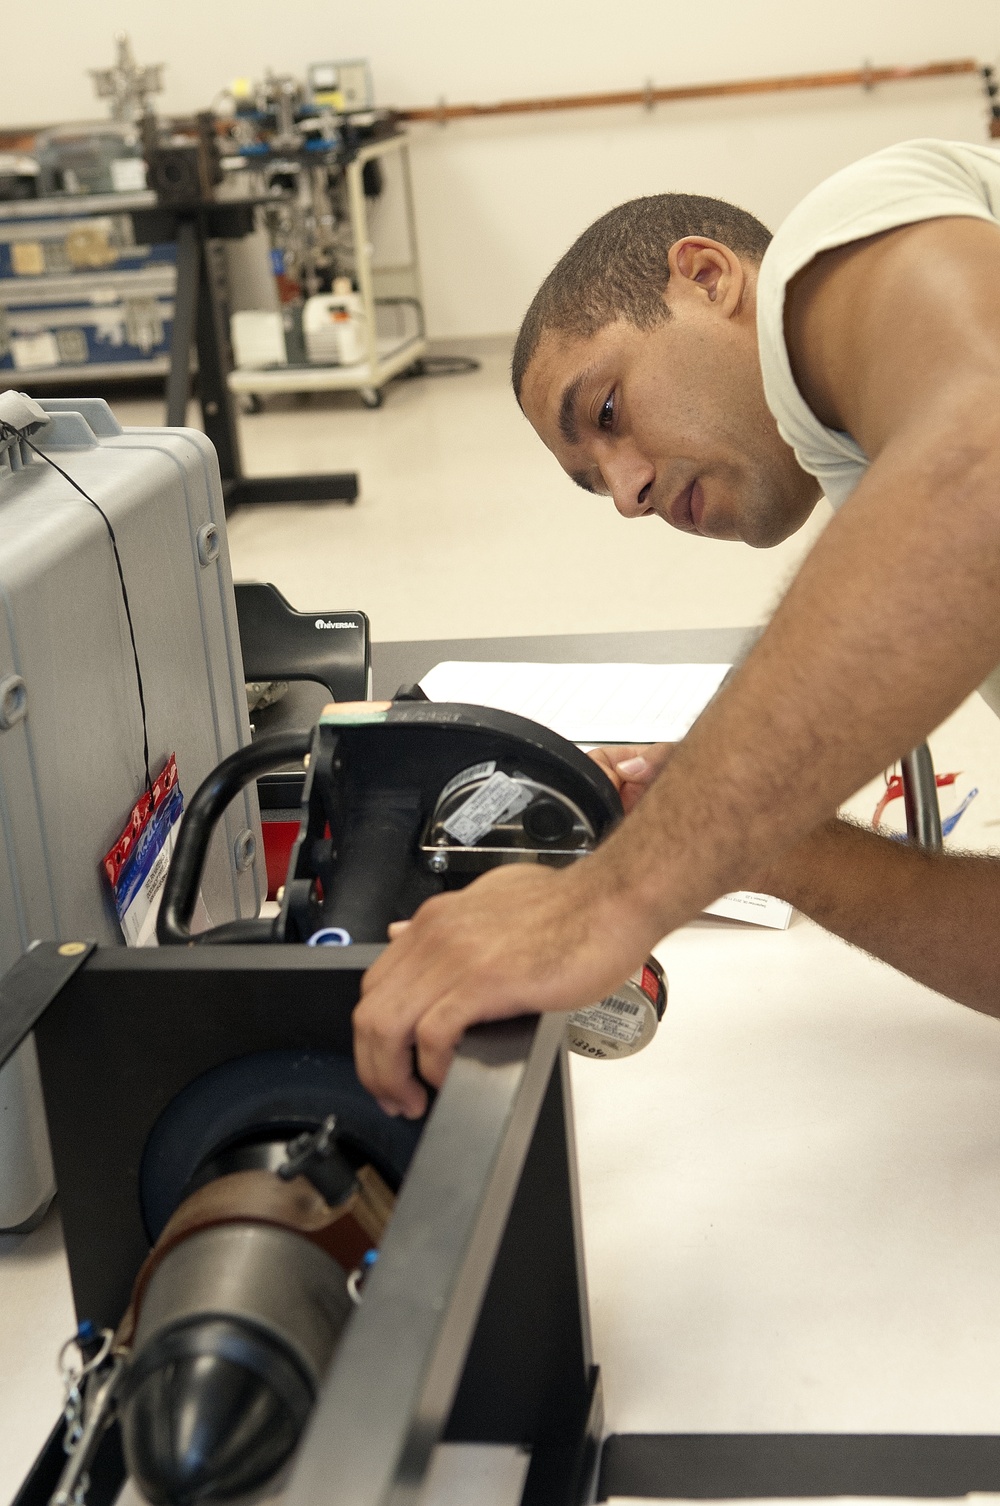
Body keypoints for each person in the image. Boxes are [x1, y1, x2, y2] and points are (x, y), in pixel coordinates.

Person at [352, 137, 1000, 1119]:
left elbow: (981, 461)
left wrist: (604, 903)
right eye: (591, 480)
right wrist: (773, 843)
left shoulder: (833, 243)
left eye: (607, 409)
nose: (626, 491)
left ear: (706, 278)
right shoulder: (914, 498)